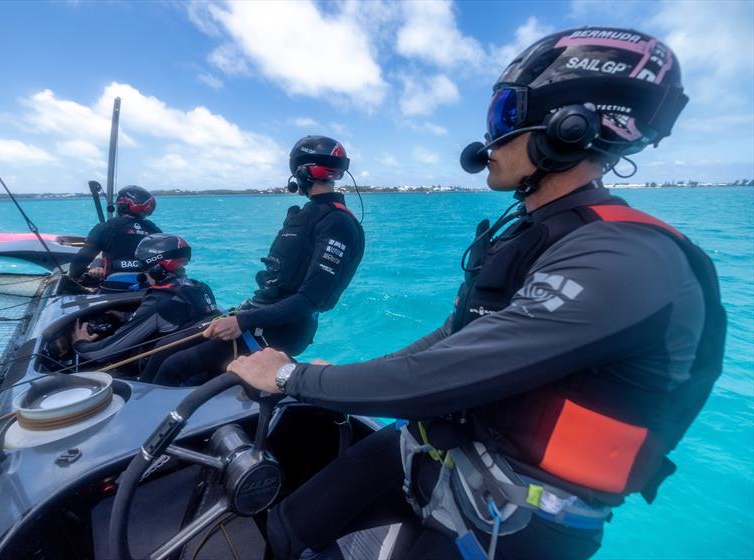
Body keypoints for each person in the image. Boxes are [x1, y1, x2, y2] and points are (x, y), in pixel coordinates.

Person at [227, 27, 726, 560]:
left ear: (568, 126)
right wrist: (338, 377)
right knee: (287, 530)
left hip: (519, 513)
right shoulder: (535, 231)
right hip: (435, 448)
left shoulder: (627, 257)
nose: (488, 140)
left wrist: (292, 377)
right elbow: (456, 334)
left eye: (504, 117)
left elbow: (450, 374)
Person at [143, 135, 365, 386]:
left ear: (302, 173)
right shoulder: (308, 215)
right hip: (258, 313)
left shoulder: (338, 223)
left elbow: (310, 301)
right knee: (162, 347)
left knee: (175, 365)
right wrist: (243, 316)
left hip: (280, 328)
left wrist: (242, 321)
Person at [72, 234, 217, 369]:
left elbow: (103, 353)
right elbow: (177, 319)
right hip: (196, 364)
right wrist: (126, 317)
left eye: (143, 267)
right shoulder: (201, 288)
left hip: (161, 373)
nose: (143, 274)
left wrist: (80, 343)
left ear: (156, 269)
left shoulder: (159, 301)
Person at [68, 185, 161, 282]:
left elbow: (81, 260)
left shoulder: (105, 227)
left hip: (113, 287)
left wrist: (74, 275)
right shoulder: (154, 229)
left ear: (121, 205)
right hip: (146, 286)